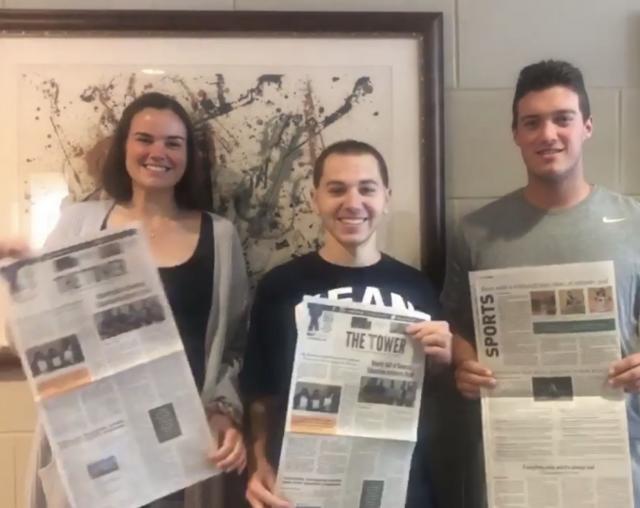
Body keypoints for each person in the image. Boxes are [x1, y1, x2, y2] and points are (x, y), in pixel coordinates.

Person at [3, 92, 249, 508]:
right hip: (96, 445)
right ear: (124, 148)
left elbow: (235, 344)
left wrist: (225, 410)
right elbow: (38, 334)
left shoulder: (219, 236)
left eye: (173, 142)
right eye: (145, 139)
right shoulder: (78, 224)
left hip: (182, 446)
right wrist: (22, 279)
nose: (158, 152)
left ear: (189, 155)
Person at [442, 60, 640, 507]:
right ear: (516, 134)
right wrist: (465, 364)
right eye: (532, 122)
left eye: (562, 119)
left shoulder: (634, 223)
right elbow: (454, 325)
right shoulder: (474, 231)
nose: (548, 135)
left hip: (613, 459)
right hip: (511, 462)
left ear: (587, 126)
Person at [240, 139, 452, 508]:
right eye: (336, 189)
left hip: (399, 487)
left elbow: (433, 393)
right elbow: (261, 396)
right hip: (302, 488)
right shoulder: (280, 286)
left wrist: (444, 361)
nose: (352, 203)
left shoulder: (417, 286)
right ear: (314, 198)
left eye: (366, 189)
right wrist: (258, 465)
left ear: (386, 197)